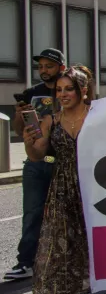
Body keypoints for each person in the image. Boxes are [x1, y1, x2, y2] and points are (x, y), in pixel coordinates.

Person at [23, 67, 100, 294]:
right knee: (60, 244)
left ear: (83, 91)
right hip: (62, 186)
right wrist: (28, 142)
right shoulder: (51, 120)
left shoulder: (98, 116)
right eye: (59, 90)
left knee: (97, 237)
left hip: (96, 185)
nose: (63, 94)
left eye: (69, 89)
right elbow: (40, 156)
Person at [5, 48, 66, 281]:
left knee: (66, 214)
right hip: (37, 160)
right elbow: (21, 130)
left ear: (60, 67)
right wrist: (19, 114)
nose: (43, 71)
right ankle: (25, 262)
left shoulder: (68, 90)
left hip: (63, 161)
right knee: (32, 212)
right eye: (40, 67)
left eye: (48, 66)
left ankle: (65, 262)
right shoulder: (31, 93)